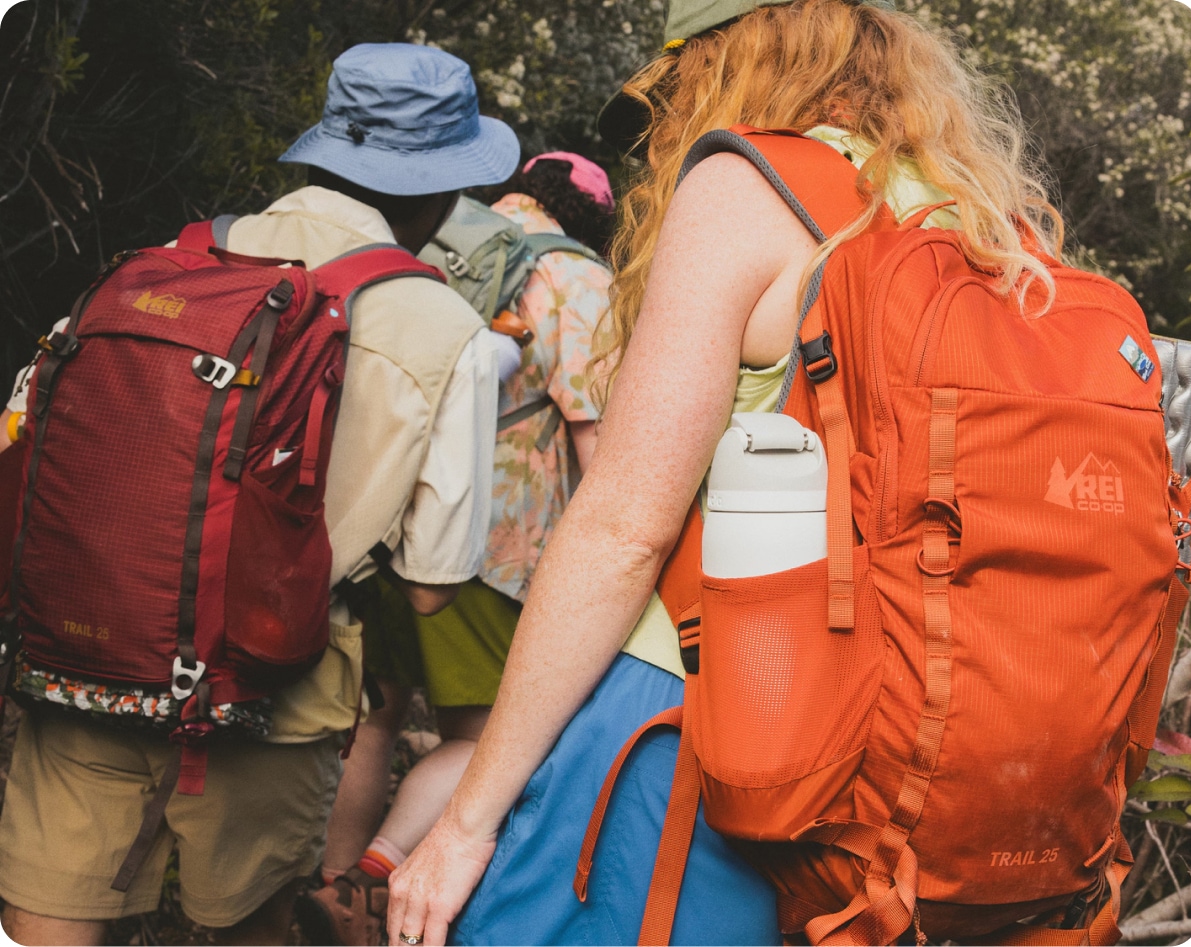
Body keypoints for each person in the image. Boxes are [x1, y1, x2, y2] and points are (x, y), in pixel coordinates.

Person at [385, 0, 1065, 944]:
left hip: (707, 710)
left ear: (719, 60)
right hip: (918, 724)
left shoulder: (752, 187)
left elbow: (625, 527)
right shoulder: (988, 226)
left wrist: (463, 823)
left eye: (674, 88)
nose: (669, 123)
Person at [0, 42, 516, 946]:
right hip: (273, 693)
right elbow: (434, 581)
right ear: (439, 191)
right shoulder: (449, 332)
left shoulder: (156, 266)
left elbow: (25, 428)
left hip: (89, 658)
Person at [304, 151, 615, 946]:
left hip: (384, 530)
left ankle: (331, 889)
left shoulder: (419, 248)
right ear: (588, 217)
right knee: (485, 741)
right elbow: (594, 435)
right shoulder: (573, 275)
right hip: (492, 552)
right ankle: (384, 872)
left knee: (374, 719)